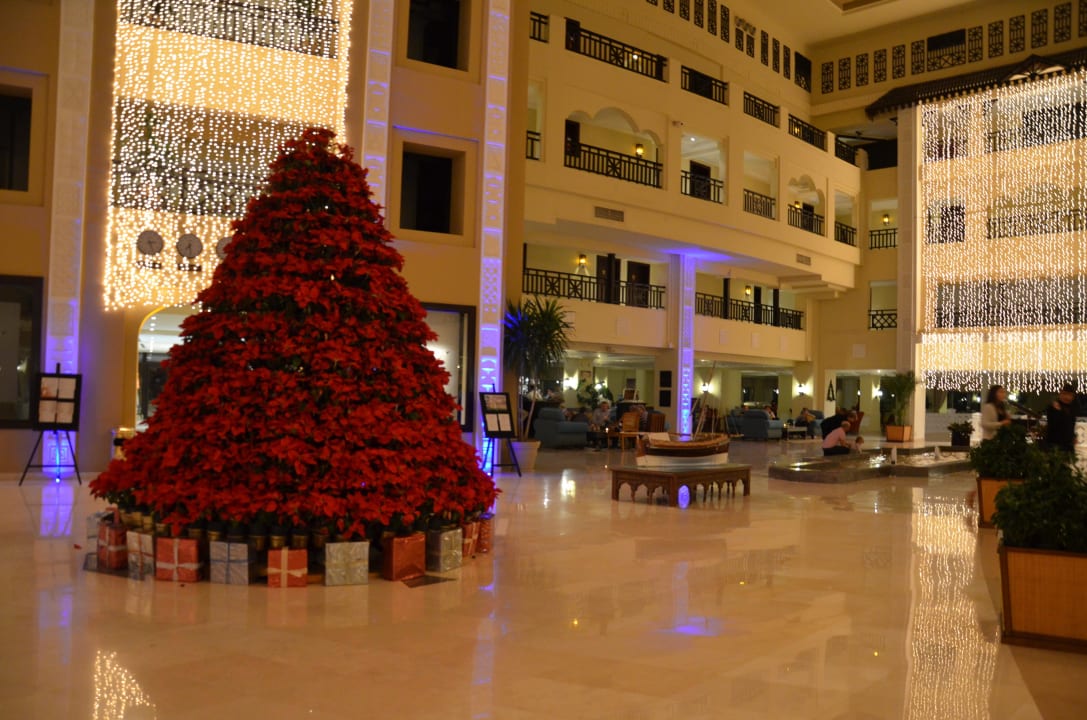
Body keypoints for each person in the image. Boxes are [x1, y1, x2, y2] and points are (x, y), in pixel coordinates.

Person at [1045, 384, 1078, 453]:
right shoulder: (1053, 407)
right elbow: (1052, 424)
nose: (1067, 397)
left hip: (1068, 446)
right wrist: (1057, 411)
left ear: (1073, 396)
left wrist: (1073, 436)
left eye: (1070, 395)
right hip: (1055, 446)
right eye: (1064, 394)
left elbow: (1070, 425)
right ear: (1060, 394)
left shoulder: (1072, 408)